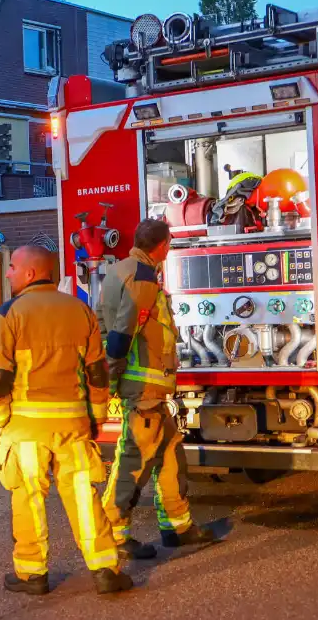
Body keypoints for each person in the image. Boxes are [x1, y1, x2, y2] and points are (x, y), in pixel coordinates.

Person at [0, 245, 133, 597]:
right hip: (74, 427)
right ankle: (105, 571)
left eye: (12, 267)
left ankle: (32, 575)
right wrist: (96, 419)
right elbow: (98, 375)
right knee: (84, 496)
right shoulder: (80, 310)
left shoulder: (9, 313)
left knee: (28, 499)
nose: (8, 273)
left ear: (31, 273)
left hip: (26, 429)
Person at [98, 219, 215, 561]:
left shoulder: (116, 270)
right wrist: (115, 370)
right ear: (163, 247)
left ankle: (178, 527)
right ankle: (112, 533)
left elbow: (104, 323)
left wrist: (109, 368)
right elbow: (125, 327)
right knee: (134, 460)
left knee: (169, 453)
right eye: (169, 245)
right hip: (144, 387)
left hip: (147, 389)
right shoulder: (145, 278)